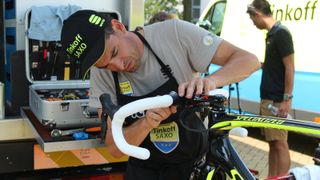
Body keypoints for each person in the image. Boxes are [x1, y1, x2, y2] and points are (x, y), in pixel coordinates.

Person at [61, 10, 260, 180]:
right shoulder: (101, 75)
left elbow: (248, 60)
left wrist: (211, 81)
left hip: (196, 168)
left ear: (119, 26)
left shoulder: (173, 33)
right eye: (105, 64)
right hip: (145, 172)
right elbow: (114, 148)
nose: (118, 66)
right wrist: (147, 122)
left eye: (114, 53)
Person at [247, 0, 295, 177]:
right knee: (272, 142)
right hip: (268, 98)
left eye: (252, 19)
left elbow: (290, 67)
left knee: (280, 143)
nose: (253, 23)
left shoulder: (281, 33)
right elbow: (276, 66)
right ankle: (272, 177)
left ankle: (282, 177)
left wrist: (286, 99)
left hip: (276, 100)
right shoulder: (272, 34)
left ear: (258, 14)